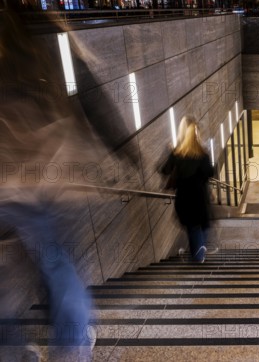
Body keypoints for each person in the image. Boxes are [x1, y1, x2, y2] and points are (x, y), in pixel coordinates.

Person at [0, 6, 106, 362]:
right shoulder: (46, 34)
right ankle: (72, 349)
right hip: (50, 181)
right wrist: (128, 153)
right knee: (58, 265)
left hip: (6, 190)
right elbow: (94, 99)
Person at [161, 120, 214, 263]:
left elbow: (164, 170)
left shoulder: (176, 153)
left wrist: (170, 152)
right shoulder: (203, 154)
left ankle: (198, 255)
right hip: (200, 197)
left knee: (192, 226)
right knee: (201, 224)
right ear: (197, 135)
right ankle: (200, 251)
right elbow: (210, 172)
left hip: (184, 198)